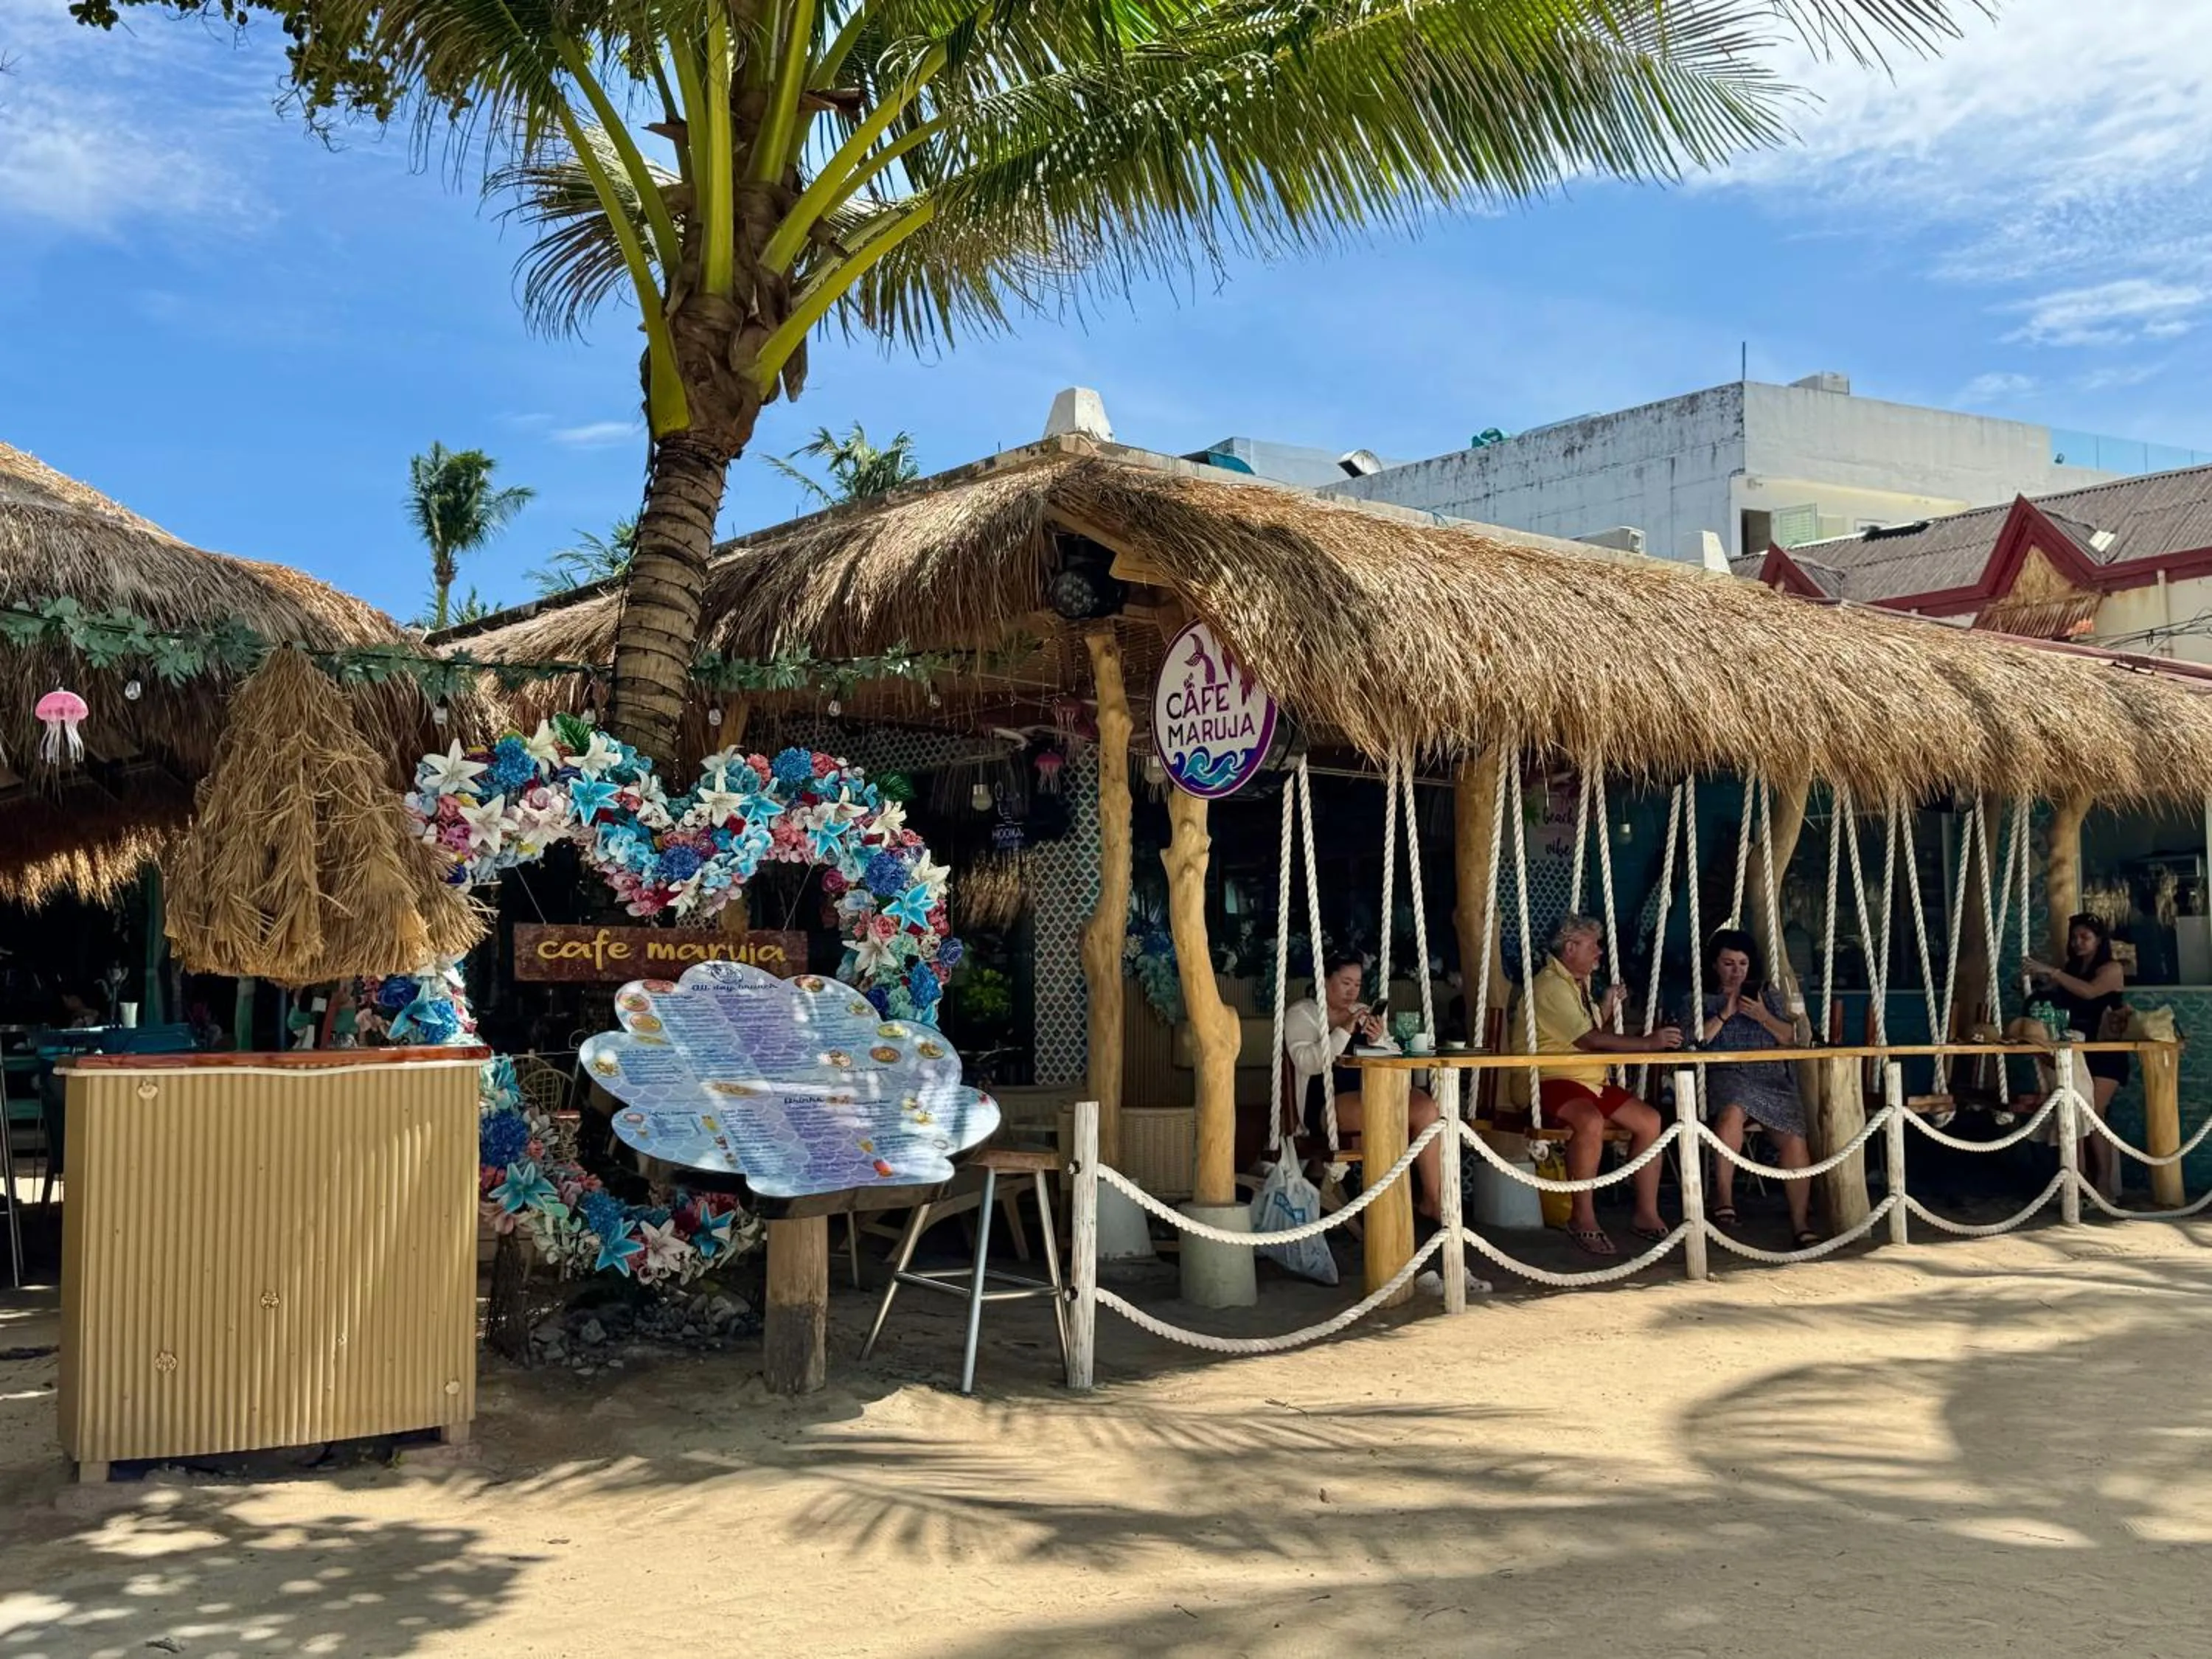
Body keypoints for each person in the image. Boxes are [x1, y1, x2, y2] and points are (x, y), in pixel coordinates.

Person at [1508, 914, 1683, 1256]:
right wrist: (1648, 1043)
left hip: (1590, 1081)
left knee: (1649, 1122)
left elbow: (1583, 1029)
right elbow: (1588, 1040)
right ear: (1571, 948)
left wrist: (1604, 1005)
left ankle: (1645, 1213)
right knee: (1589, 1120)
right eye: (1593, 946)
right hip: (1549, 1078)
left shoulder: (1576, 983)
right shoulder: (1550, 986)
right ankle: (1582, 1216)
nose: (1599, 953)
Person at [1284, 955, 1446, 1220]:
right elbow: (1307, 1062)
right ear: (1325, 981)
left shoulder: (1362, 1010)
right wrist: (1345, 1030)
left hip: (1372, 1095)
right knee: (1382, 1112)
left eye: (1357, 984)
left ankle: (1432, 1199)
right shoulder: (1303, 1014)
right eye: (1345, 982)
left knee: (1425, 1108)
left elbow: (1392, 1056)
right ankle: (1387, 1210)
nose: (1352, 991)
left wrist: (1378, 1039)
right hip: (1328, 1105)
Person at [1688, 929, 1817, 1247]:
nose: (1736, 971)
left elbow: (1791, 1037)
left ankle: (1800, 1221)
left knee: (1794, 1134)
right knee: (1732, 1108)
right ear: (1715, 965)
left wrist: (1762, 1016)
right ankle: (1724, 1199)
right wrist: (1725, 1012)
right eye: (1729, 963)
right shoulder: (1699, 999)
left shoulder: (1767, 994)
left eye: (1743, 964)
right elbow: (1696, 1042)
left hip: (1770, 1077)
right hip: (1727, 1073)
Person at [2023, 914, 2129, 1196]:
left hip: (2106, 1052)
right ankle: (2079, 1182)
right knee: (2077, 1115)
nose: (2078, 943)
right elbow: (2053, 996)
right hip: (2079, 1051)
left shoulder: (2112, 968)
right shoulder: (2073, 968)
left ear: (2099, 940)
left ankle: (2104, 1187)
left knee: (2094, 1116)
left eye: (2085, 937)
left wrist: (2053, 972)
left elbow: (2090, 993)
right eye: (2075, 937)